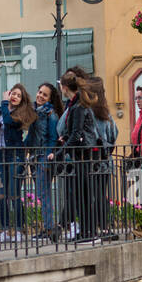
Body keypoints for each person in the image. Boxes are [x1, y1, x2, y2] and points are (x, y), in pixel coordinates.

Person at [49, 70, 102, 243]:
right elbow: (75, 132)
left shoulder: (78, 106)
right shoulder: (76, 104)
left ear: (64, 88)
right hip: (82, 153)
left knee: (84, 195)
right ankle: (87, 231)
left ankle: (89, 233)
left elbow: (77, 133)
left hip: (83, 155)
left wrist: (60, 152)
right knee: (82, 195)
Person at [0, 84, 37, 239]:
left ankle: (19, 229)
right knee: (1, 195)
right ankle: (5, 230)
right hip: (0, 156)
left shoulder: (21, 114)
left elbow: (7, 122)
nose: (14, 97)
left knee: (14, 194)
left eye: (18, 95)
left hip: (15, 156)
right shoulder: (1, 110)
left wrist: (4, 102)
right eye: (13, 93)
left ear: (22, 100)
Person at [88, 75, 119, 238]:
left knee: (91, 196)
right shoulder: (105, 112)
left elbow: (61, 125)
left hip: (91, 159)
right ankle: (105, 227)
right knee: (101, 194)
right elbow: (115, 132)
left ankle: (93, 228)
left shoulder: (87, 111)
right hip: (105, 160)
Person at [33, 82, 61, 236]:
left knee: (44, 194)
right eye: (39, 92)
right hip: (36, 156)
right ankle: (48, 226)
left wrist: (48, 155)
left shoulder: (51, 115)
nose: (40, 96)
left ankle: (50, 228)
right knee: (42, 194)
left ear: (50, 98)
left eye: (44, 94)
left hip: (44, 157)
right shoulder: (35, 111)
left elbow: (53, 138)